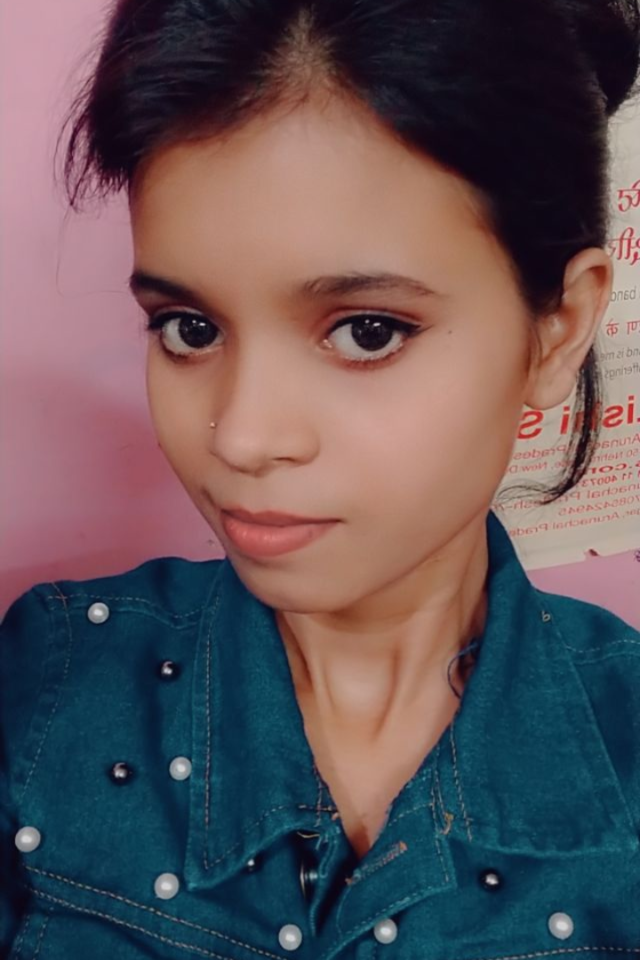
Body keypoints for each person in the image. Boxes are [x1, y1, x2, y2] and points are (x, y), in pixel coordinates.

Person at [2, 0, 640, 955]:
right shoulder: (47, 683)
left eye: (368, 332)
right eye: (189, 328)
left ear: (558, 329)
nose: (242, 436)